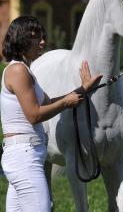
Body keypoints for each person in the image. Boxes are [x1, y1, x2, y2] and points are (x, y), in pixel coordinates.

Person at [0, 15, 102, 212]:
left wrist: (83, 89)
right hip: (25, 159)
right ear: (20, 38)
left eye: (42, 36)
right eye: (35, 36)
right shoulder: (19, 71)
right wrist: (66, 102)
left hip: (22, 157)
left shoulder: (24, 70)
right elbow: (34, 115)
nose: (43, 42)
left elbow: (49, 103)